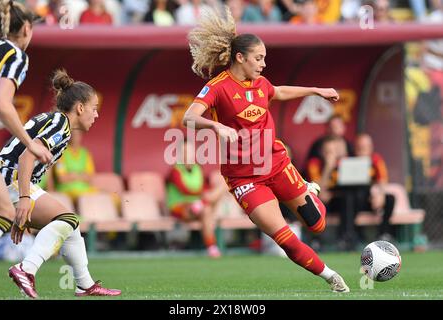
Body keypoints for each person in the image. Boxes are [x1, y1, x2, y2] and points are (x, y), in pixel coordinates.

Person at [184, 6, 350, 292]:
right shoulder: (218, 87)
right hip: (244, 178)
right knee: (283, 237)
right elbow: (189, 118)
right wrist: (217, 127)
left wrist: (317, 90)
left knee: (317, 223)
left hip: (276, 164)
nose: (263, 64)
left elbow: (280, 91)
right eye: (258, 58)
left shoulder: (260, 84)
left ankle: (307, 190)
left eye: (264, 59)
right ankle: (331, 277)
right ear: (240, 57)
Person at [0, 69, 121, 298]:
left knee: (70, 226)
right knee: (68, 219)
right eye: (94, 109)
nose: (96, 115)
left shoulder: (56, 122)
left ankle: (85, 284)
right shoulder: (60, 125)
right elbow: (26, 157)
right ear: (80, 108)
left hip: (5, 177)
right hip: (8, 178)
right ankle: (26, 269)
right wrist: (23, 199)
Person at [0, 0, 52, 250]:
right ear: (27, 28)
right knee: (5, 210)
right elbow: (2, 105)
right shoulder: (15, 55)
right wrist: (31, 144)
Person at [166, 139, 226, 258]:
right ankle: (211, 246)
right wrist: (206, 195)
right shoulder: (175, 171)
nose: (187, 155)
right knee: (208, 205)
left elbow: (204, 187)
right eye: (184, 152)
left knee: (209, 206)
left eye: (189, 152)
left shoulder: (198, 168)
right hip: (179, 208)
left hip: (198, 207)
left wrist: (208, 194)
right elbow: (185, 190)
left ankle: (212, 247)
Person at [353, 133, 395, 240]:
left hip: (371, 198)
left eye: (365, 147)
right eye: (360, 147)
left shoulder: (376, 159)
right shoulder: (349, 160)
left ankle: (384, 233)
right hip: (355, 199)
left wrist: (379, 194)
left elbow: (382, 180)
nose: (362, 150)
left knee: (390, 198)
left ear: (370, 147)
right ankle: (355, 236)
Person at [53, 130, 98, 203]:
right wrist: (82, 175)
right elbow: (61, 178)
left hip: (85, 190)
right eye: (73, 135)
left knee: (106, 197)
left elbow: (91, 177)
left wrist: (72, 175)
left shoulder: (85, 153)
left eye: (78, 135)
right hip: (67, 191)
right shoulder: (61, 153)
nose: (75, 137)